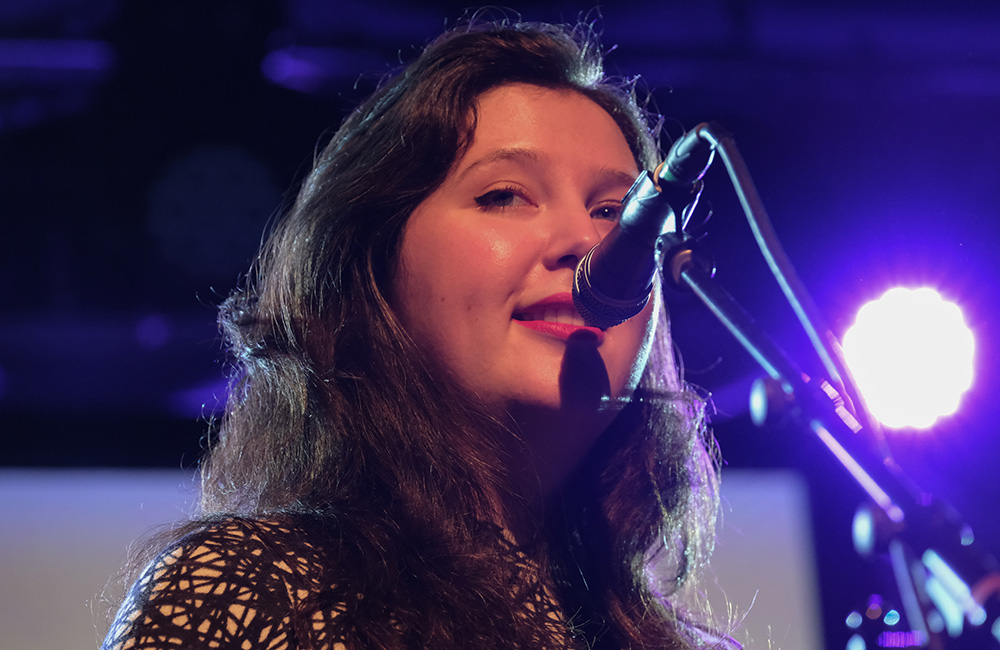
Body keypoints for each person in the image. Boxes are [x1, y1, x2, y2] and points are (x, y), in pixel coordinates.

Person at [101, 17, 733, 650]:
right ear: (374, 268)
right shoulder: (248, 595)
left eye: (613, 212)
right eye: (505, 196)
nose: (582, 243)